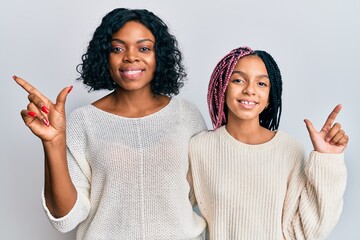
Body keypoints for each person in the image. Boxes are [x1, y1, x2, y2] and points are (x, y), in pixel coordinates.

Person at [13, 8, 207, 240]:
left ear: (160, 56)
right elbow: (66, 219)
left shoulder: (186, 115)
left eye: (144, 48)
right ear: (105, 56)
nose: (130, 57)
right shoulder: (83, 121)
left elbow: (204, 196)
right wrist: (53, 142)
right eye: (117, 48)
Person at [189, 46, 348, 240]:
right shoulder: (199, 148)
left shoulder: (290, 149)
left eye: (261, 84)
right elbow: (175, 214)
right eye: (238, 80)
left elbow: (307, 231)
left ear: (269, 98)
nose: (250, 90)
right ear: (222, 86)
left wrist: (328, 159)